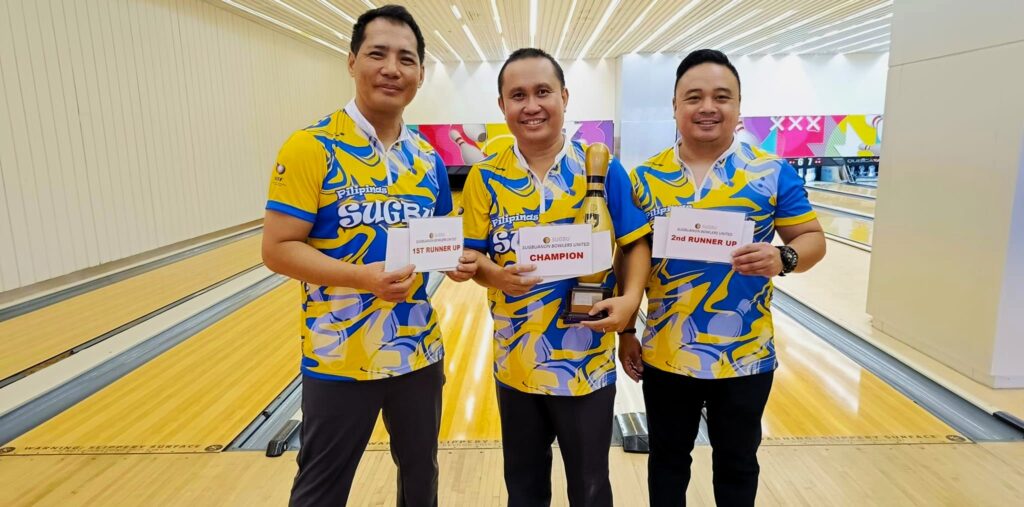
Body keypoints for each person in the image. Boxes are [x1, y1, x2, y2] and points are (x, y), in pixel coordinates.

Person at [261, 5, 477, 506]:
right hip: (338, 353)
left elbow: (438, 241)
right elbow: (277, 249)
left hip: (417, 350)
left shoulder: (426, 158)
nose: (392, 68)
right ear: (352, 61)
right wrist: (362, 277)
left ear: (420, 74)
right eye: (377, 54)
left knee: (420, 478)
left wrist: (455, 261)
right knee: (320, 487)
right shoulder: (311, 146)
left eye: (406, 59)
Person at [620, 49, 826, 506]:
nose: (707, 107)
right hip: (665, 351)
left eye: (721, 97)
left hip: (746, 354)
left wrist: (782, 256)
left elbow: (813, 238)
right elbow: (629, 260)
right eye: (693, 97)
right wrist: (626, 331)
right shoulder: (644, 178)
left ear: (738, 106)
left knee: (737, 464)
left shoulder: (772, 173)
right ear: (675, 106)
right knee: (667, 463)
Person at [461, 47, 652, 507]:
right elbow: (471, 258)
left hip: (586, 365)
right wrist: (494, 276)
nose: (531, 105)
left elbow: (636, 244)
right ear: (502, 105)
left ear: (564, 96)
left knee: (590, 488)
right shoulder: (484, 177)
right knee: (524, 488)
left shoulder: (602, 168)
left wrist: (629, 310)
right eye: (518, 95)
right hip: (516, 360)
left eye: (543, 92)